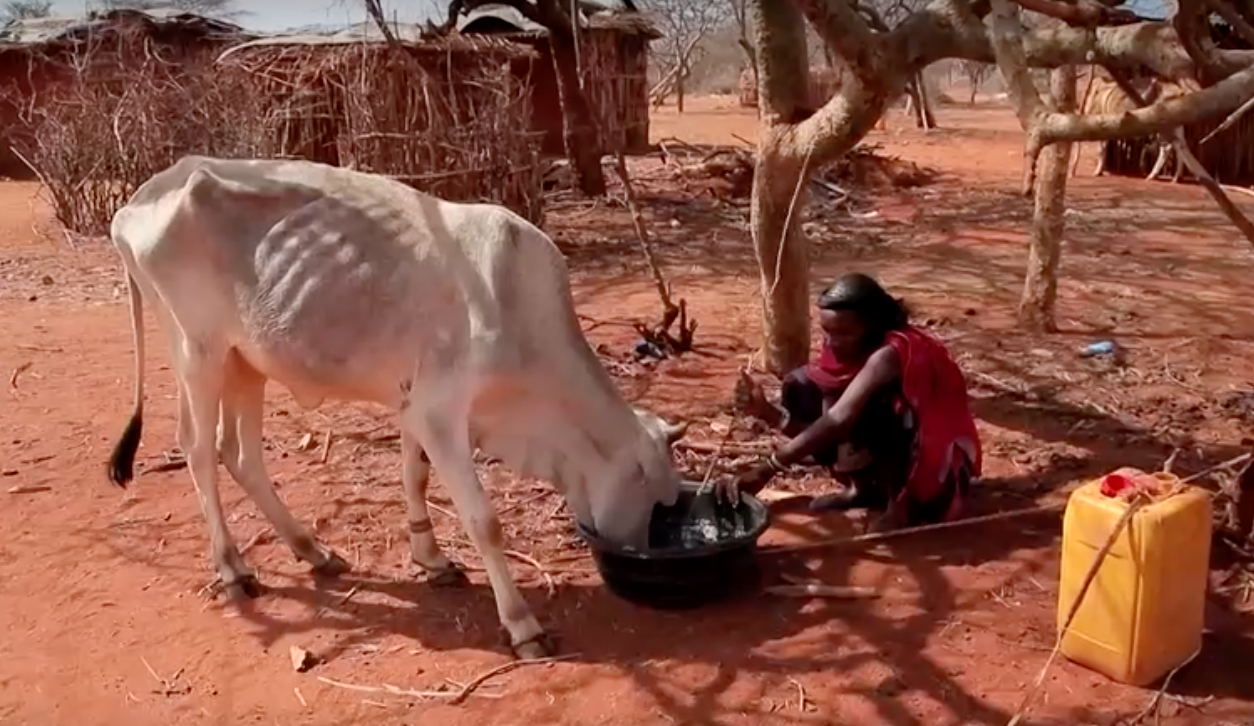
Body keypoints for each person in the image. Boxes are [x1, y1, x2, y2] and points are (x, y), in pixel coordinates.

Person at [717, 273, 982, 530]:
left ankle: (901, 505)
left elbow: (839, 421)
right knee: (803, 385)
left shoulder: (889, 355)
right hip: (874, 438)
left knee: (877, 412)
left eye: (844, 333)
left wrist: (766, 469)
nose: (831, 342)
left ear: (872, 327)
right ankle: (863, 489)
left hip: (932, 466)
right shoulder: (843, 353)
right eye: (826, 331)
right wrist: (766, 411)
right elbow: (826, 427)